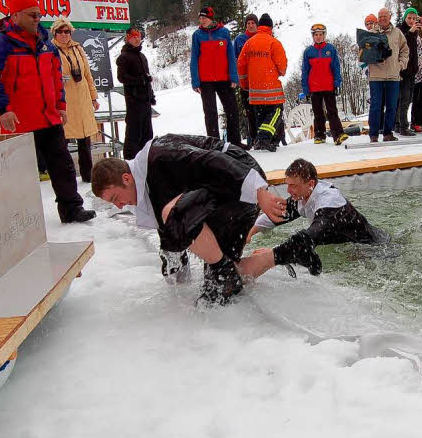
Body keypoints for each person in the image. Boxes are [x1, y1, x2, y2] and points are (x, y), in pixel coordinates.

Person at [90, 134, 288, 306]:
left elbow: (213, 160)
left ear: (126, 178)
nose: (119, 206)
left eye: (115, 198)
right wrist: (178, 283)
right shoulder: (146, 189)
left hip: (238, 178)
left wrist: (259, 192)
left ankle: (223, 268)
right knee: (218, 291)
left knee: (174, 215)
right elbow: (170, 235)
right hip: (224, 194)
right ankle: (283, 254)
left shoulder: (161, 156)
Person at [0, 0, 95, 223]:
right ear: (16, 15)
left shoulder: (46, 45)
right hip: (19, 122)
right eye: (32, 15)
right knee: (20, 174)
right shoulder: (1, 44)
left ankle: (71, 209)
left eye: (39, 15)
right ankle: (19, 218)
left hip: (49, 118)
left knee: (63, 167)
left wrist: (61, 105)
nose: (37, 19)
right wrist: (3, 108)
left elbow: (55, 78)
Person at [243, 158, 389, 279]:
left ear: (311, 184)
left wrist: (272, 254)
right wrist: (251, 229)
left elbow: (304, 242)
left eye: (293, 186)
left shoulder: (330, 207)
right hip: (352, 244)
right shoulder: (303, 194)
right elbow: (281, 213)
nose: (288, 191)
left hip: (375, 249)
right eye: (287, 185)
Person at [49, 17, 100, 181]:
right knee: (62, 140)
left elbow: (87, 74)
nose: (64, 35)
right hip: (65, 101)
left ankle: (88, 174)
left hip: (83, 98)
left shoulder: (78, 49)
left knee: (85, 138)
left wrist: (93, 97)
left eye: (67, 31)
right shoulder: (50, 49)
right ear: (54, 33)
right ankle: (65, 176)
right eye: (60, 32)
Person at [190, 6, 241, 142]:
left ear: (211, 18)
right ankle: (214, 143)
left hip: (224, 79)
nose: (202, 21)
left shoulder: (224, 32)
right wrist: (195, 81)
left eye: (204, 18)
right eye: (200, 18)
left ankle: (235, 142)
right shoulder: (197, 35)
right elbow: (194, 58)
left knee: (232, 110)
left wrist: (233, 77)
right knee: (210, 113)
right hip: (205, 81)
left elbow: (230, 55)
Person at [237, 13, 287, 151]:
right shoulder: (273, 42)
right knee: (276, 112)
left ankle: (260, 141)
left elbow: (240, 65)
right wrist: (279, 72)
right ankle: (264, 138)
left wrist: (245, 84)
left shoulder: (249, 43)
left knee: (260, 116)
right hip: (272, 91)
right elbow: (282, 67)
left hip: (255, 92)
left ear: (259, 26)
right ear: (270, 27)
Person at [366, 7, 409, 142]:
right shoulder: (371, 33)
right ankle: (373, 134)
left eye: (385, 16)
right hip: (376, 75)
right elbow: (362, 53)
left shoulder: (397, 33)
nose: (382, 18)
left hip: (393, 75)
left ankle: (388, 133)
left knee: (392, 105)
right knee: (375, 105)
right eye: (380, 16)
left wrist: (401, 65)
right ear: (378, 19)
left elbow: (405, 50)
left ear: (389, 17)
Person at [301, 23, 347, 145]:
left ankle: (338, 135)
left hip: (328, 85)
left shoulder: (330, 49)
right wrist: (306, 89)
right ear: (313, 36)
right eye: (316, 35)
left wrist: (337, 82)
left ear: (324, 35)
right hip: (314, 87)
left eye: (320, 34)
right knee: (318, 113)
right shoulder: (308, 52)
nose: (318, 37)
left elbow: (336, 67)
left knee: (332, 111)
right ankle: (319, 135)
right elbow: (305, 71)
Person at [115, 27, 155, 158]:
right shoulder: (124, 56)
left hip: (145, 100)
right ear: (128, 38)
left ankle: (145, 160)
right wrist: (141, 81)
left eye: (138, 36)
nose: (137, 39)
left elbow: (147, 77)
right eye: (134, 37)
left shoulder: (142, 56)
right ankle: (130, 162)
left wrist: (151, 94)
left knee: (147, 133)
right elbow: (122, 78)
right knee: (133, 134)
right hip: (134, 101)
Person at [234, 14, 260, 145]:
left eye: (253, 23)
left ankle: (265, 137)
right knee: (249, 112)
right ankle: (254, 138)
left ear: (257, 24)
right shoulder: (240, 39)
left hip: (260, 81)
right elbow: (234, 59)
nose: (250, 25)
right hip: (245, 82)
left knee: (262, 111)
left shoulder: (261, 38)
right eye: (248, 23)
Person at [396, 8, 421, 137]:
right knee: (404, 99)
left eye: (413, 18)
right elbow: (401, 45)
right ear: (405, 18)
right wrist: (411, 33)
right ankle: (403, 126)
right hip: (403, 70)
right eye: (409, 18)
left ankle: (398, 124)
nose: (411, 21)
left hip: (411, 70)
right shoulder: (400, 30)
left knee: (407, 98)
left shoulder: (415, 31)